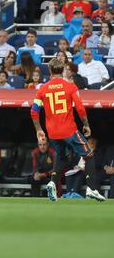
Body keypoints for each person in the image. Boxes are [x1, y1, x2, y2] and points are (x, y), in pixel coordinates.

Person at [30, 58, 105, 201]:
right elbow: (80, 108)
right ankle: (92, 189)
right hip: (68, 130)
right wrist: (86, 124)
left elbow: (34, 111)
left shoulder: (42, 89)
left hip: (52, 132)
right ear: (63, 69)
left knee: (62, 156)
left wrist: (38, 129)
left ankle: (52, 182)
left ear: (50, 71)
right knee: (88, 154)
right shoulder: (71, 87)